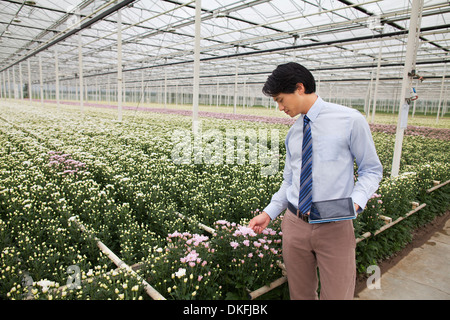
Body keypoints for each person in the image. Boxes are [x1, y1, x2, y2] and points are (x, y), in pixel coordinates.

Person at [248, 62, 383, 300]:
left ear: (299, 88)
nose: (280, 108)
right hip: (294, 225)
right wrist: (269, 213)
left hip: (335, 224)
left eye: (281, 99)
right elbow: (289, 182)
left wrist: (355, 203)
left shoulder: (350, 120)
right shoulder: (294, 133)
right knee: (300, 294)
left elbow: (371, 170)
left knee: (337, 294)